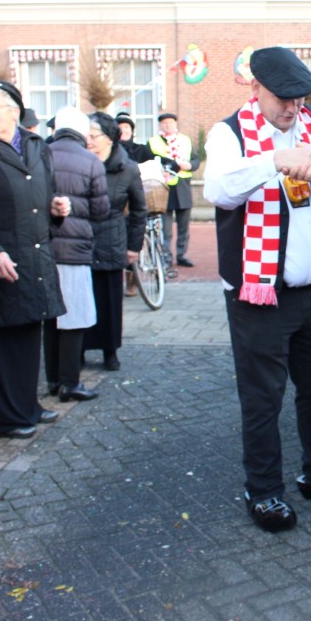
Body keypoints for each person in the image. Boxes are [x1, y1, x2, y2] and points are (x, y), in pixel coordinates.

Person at [203, 46, 311, 534]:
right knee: (263, 398)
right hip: (259, 294)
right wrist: (277, 160)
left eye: (301, 98)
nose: (293, 108)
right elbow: (218, 189)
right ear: (255, 87)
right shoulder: (229, 133)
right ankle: (263, 490)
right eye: (283, 98)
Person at [0, 82, 67, 438]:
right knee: (2, 338)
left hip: (34, 253)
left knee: (28, 333)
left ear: (14, 111)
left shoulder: (37, 146)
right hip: (2, 256)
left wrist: (56, 208)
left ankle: (27, 405)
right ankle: (3, 417)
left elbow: (46, 190)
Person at [43, 107, 109, 402]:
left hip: (45, 247)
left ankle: (53, 379)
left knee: (50, 318)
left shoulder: (41, 154)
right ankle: (70, 382)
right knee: (73, 316)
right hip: (75, 248)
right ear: (83, 133)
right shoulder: (91, 160)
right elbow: (101, 209)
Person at [83, 112, 147, 371]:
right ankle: (79, 348)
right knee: (82, 297)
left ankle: (110, 350)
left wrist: (134, 246)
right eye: (86, 135)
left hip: (112, 238)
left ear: (110, 138)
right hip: (81, 239)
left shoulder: (128, 168)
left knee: (109, 299)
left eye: (93, 135)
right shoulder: (80, 162)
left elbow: (139, 210)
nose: (88, 140)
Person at [148, 112, 199, 268]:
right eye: (164, 123)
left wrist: (190, 165)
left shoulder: (185, 140)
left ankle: (181, 255)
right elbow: (150, 160)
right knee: (166, 228)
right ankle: (166, 256)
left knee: (184, 227)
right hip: (163, 188)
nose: (168, 125)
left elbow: (195, 159)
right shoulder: (153, 142)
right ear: (160, 125)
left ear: (175, 124)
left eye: (170, 122)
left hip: (183, 187)